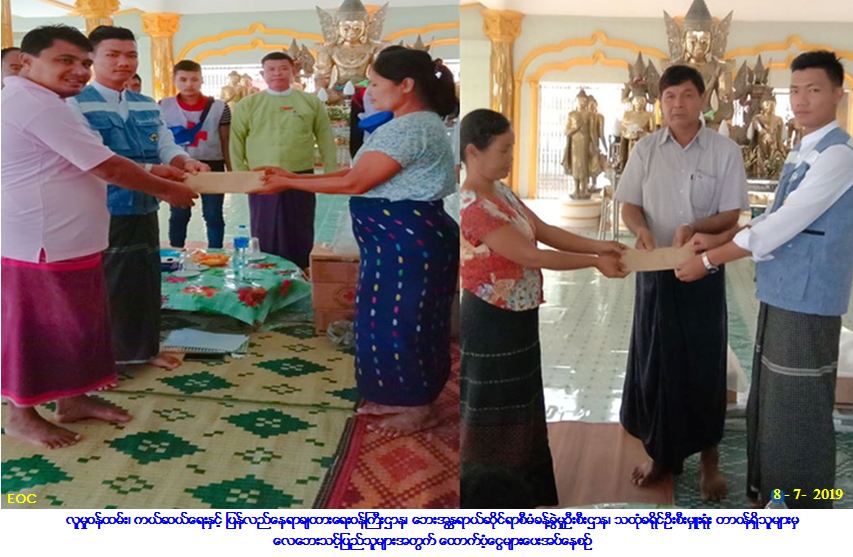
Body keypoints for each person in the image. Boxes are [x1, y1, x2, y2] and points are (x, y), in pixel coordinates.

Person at [1, 25, 196, 448]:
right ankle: (21, 415)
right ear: (27, 62)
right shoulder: (34, 104)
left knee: (75, 324)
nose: (79, 70)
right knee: (36, 330)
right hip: (40, 241)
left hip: (71, 237)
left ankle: (72, 399)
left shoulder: (49, 101)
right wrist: (166, 189)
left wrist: (158, 171)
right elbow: (106, 166)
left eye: (83, 62)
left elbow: (96, 157)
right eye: (65, 61)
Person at [675, 51, 853, 509]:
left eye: (814, 90)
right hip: (783, 292)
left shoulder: (838, 156)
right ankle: (771, 495)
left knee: (800, 407)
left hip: (809, 300)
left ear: (838, 93)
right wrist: (715, 237)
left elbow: (782, 227)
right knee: (773, 399)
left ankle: (804, 508)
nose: (801, 100)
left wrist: (710, 261)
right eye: (795, 90)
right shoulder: (802, 150)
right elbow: (770, 216)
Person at [256, 48, 459, 434]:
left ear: (405, 85)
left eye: (377, 84)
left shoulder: (411, 127)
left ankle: (418, 406)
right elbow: (356, 172)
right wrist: (291, 177)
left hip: (407, 241)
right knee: (385, 318)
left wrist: (289, 183)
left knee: (404, 321)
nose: (370, 92)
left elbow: (355, 182)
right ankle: (401, 396)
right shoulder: (409, 123)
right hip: (399, 241)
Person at [458, 108, 628, 508]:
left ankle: (525, 490)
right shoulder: (473, 207)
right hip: (490, 320)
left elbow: (544, 231)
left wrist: (600, 245)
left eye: (512, 147)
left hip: (518, 315)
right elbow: (530, 255)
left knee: (522, 402)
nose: (511, 157)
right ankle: (490, 497)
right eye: (503, 149)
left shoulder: (499, 192)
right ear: (473, 152)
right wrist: (594, 262)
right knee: (493, 406)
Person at [614, 64, 748, 501]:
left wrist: (694, 228)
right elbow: (629, 204)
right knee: (656, 359)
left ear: (702, 100)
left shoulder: (724, 151)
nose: (678, 104)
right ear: (660, 102)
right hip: (655, 270)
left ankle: (709, 458)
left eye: (687, 95)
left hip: (703, 266)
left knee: (704, 360)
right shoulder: (646, 150)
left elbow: (732, 214)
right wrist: (640, 230)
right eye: (669, 96)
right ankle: (661, 454)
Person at [67, 25, 210, 370]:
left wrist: (183, 160)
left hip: (144, 206)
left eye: (131, 55)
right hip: (102, 209)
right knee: (108, 282)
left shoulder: (145, 104)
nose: (124, 62)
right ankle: (105, 358)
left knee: (144, 278)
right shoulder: (75, 103)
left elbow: (165, 142)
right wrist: (156, 173)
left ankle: (143, 350)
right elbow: (95, 157)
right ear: (92, 58)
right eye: (113, 55)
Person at [230, 51, 337, 269]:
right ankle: (267, 268)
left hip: (300, 175)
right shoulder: (248, 104)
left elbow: (325, 136)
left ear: (293, 72)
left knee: (300, 224)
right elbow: (236, 140)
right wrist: (241, 175)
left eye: (283, 68)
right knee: (264, 225)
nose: (277, 73)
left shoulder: (310, 102)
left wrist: (331, 172)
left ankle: (300, 269)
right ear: (263, 74)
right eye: (271, 69)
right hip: (262, 176)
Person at [161, 59, 231, 249]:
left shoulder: (220, 107)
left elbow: (226, 140)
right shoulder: (163, 106)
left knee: (213, 214)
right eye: (183, 79)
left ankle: (216, 253)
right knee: (179, 213)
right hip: (179, 166)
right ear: (174, 80)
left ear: (202, 80)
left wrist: (231, 169)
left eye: (194, 79)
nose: (189, 84)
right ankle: (176, 253)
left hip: (212, 165)